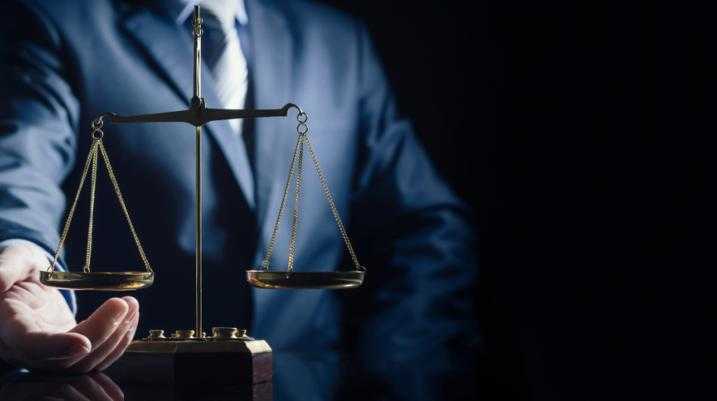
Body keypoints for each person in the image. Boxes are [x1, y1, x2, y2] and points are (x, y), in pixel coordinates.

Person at [0, 0, 477, 378]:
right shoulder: (56, 19)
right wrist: (26, 255)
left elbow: (426, 223)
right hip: (138, 381)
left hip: (312, 385)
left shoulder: (336, 41)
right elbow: (22, 162)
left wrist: (395, 370)